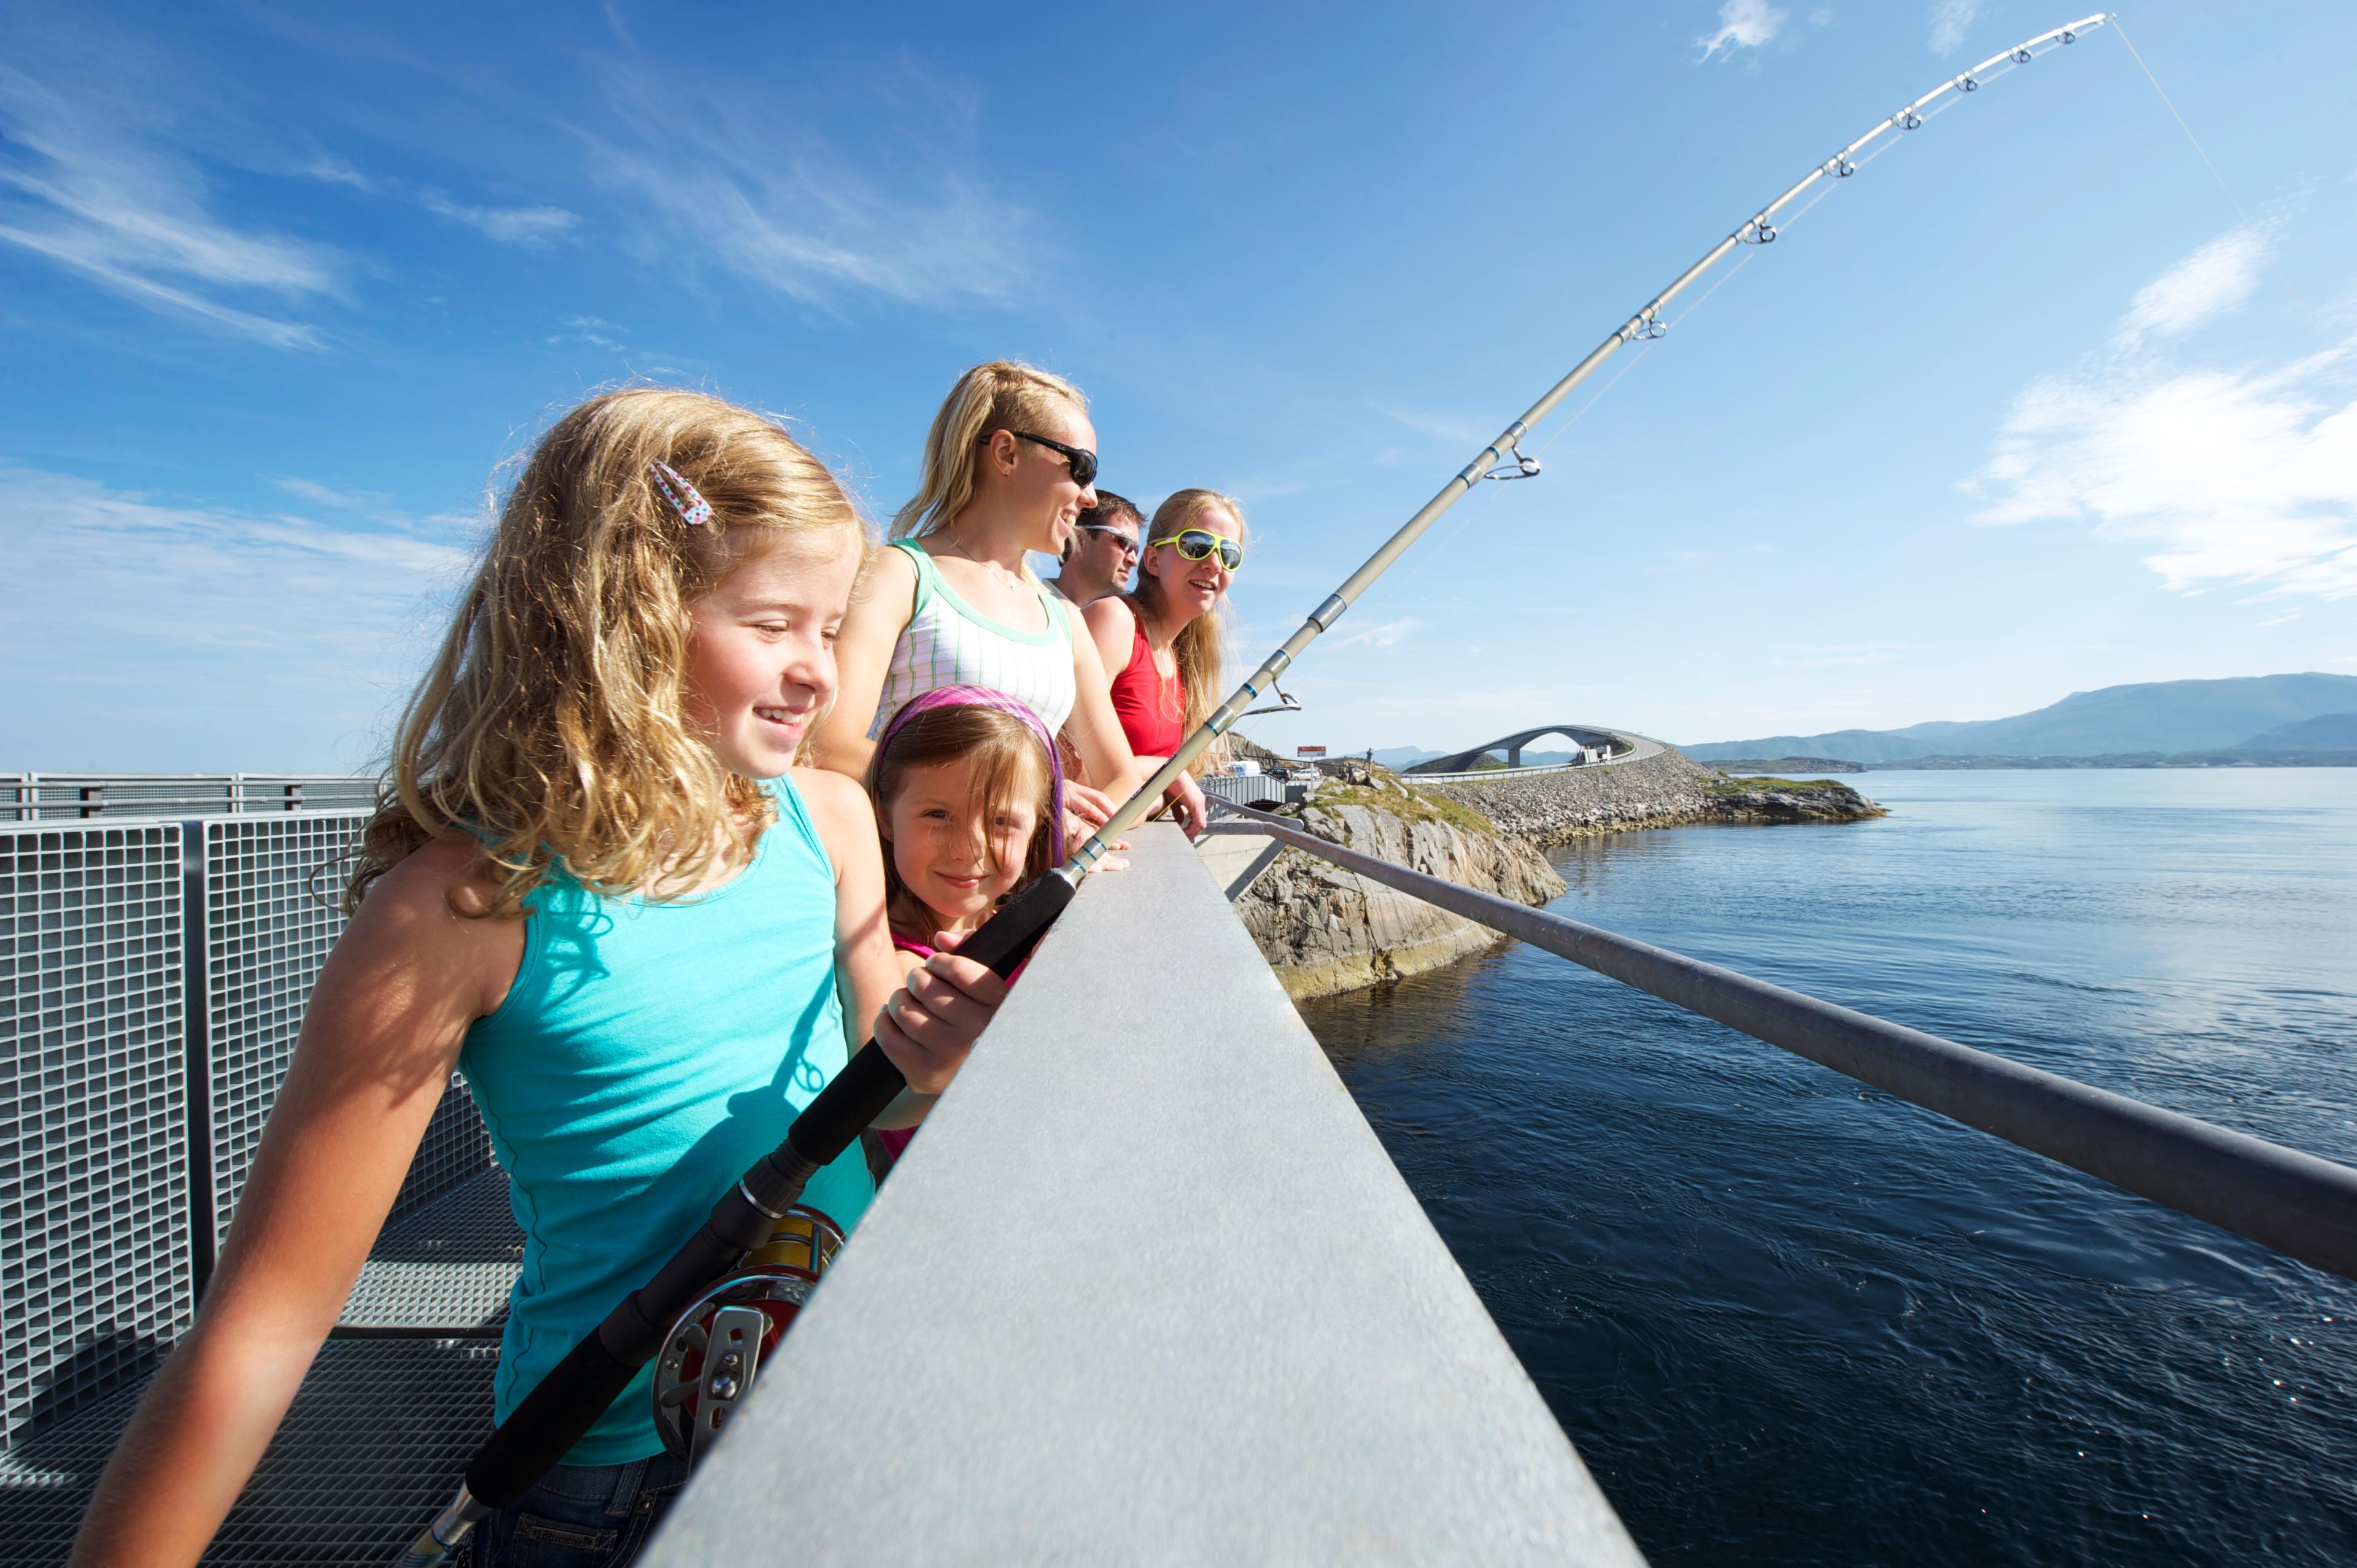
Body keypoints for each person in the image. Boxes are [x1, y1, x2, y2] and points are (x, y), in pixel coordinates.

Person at [69, 389, 1008, 1568]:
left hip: (836, 1391)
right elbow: (262, 1330)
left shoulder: (828, 818)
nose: (821, 675)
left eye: (831, 629)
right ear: (622, 618)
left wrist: (941, 1062)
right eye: (774, 624)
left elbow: (886, 1081)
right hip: (604, 1473)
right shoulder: (459, 907)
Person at [811, 360, 1204, 841]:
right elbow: (828, 745)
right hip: (904, 899)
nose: (1089, 496)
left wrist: (1072, 826)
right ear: (1005, 453)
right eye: (1081, 467)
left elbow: (1120, 780)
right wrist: (1022, 798)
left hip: (1034, 903)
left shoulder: (1062, 616)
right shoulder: (901, 574)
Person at [860, 684, 1078, 1178]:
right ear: (884, 814)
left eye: (1002, 821)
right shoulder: (890, 965)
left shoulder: (1037, 924)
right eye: (938, 815)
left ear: (1038, 828)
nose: (969, 849)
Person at [1085, 488, 1247, 783]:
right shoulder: (1115, 621)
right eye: (1196, 545)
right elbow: (1063, 767)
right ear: (1154, 560)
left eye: (1229, 553)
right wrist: (1168, 773)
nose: (1214, 564)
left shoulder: (1182, 658)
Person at [1049, 490, 1143, 606]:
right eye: (1125, 542)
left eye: (1136, 549)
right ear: (1079, 541)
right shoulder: (1027, 606)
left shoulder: (1123, 622)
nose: (1134, 560)